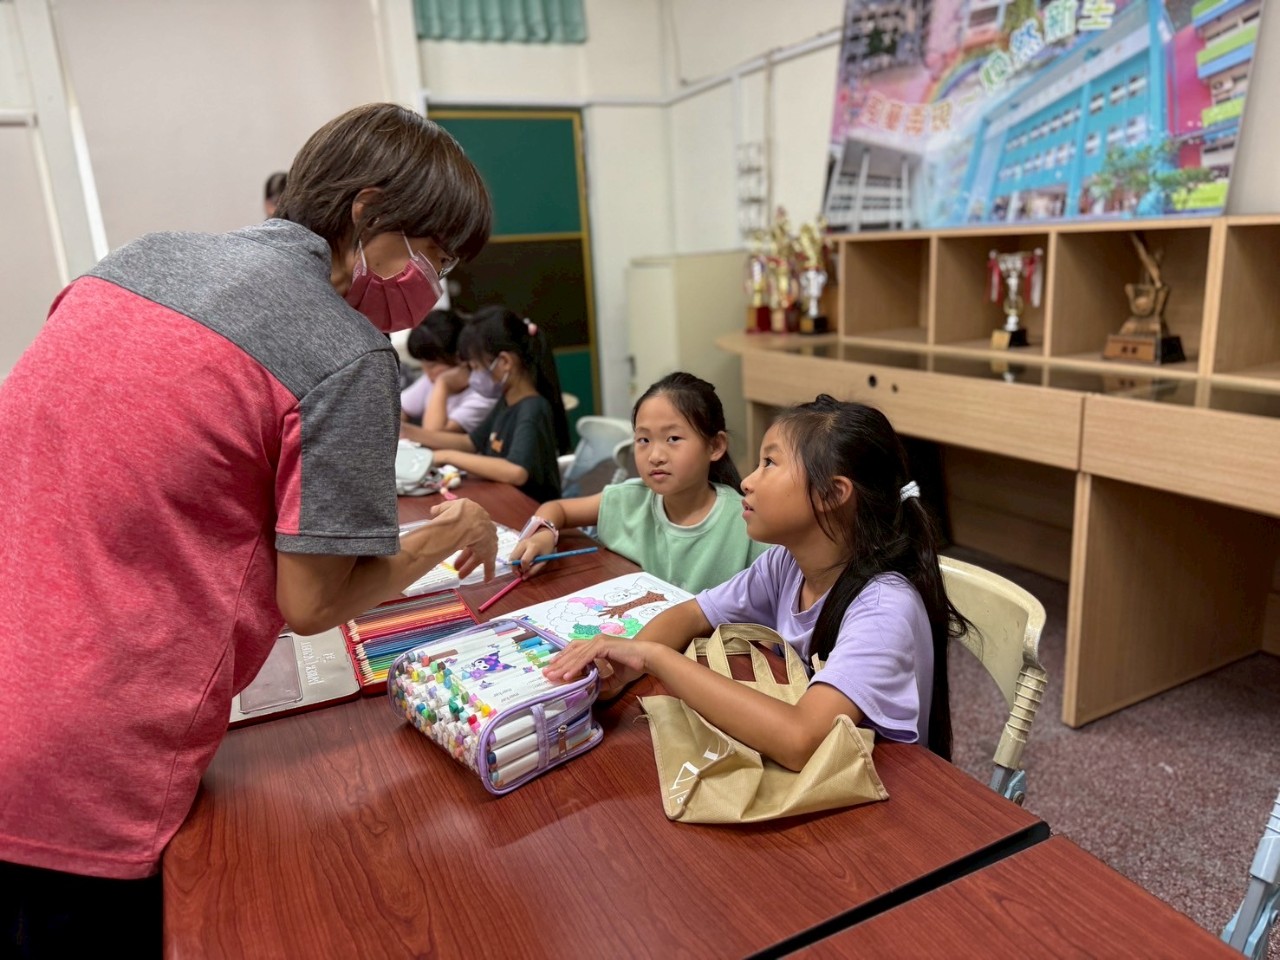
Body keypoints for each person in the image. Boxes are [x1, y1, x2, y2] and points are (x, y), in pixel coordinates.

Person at [0, 103, 498, 956]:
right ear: (368, 212)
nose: (433, 287)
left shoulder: (133, 263)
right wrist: (446, 535)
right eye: (433, 257)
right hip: (90, 756)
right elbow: (311, 603)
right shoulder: (344, 350)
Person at [545, 396, 969, 771]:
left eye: (770, 463)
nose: (747, 480)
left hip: (890, 794)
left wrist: (653, 657)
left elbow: (800, 741)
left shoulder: (883, 606)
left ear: (832, 493)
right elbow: (694, 613)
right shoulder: (787, 563)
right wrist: (624, 671)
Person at [510, 371, 767, 592]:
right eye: (644, 440)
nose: (655, 456)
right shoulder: (628, 499)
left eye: (673, 439)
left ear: (715, 446)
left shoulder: (745, 520)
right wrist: (544, 534)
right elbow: (558, 509)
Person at [405, 306, 570, 504]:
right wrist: (407, 431)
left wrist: (446, 456)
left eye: (475, 367)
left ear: (505, 362)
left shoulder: (533, 408)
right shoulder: (506, 401)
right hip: (506, 501)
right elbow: (471, 442)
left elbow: (517, 472)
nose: (473, 377)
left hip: (529, 509)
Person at [399, 308, 496, 432]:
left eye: (432, 365)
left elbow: (433, 435)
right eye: (423, 364)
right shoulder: (430, 380)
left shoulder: (483, 393)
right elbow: (398, 409)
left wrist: (442, 384)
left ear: (460, 358)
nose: (427, 371)